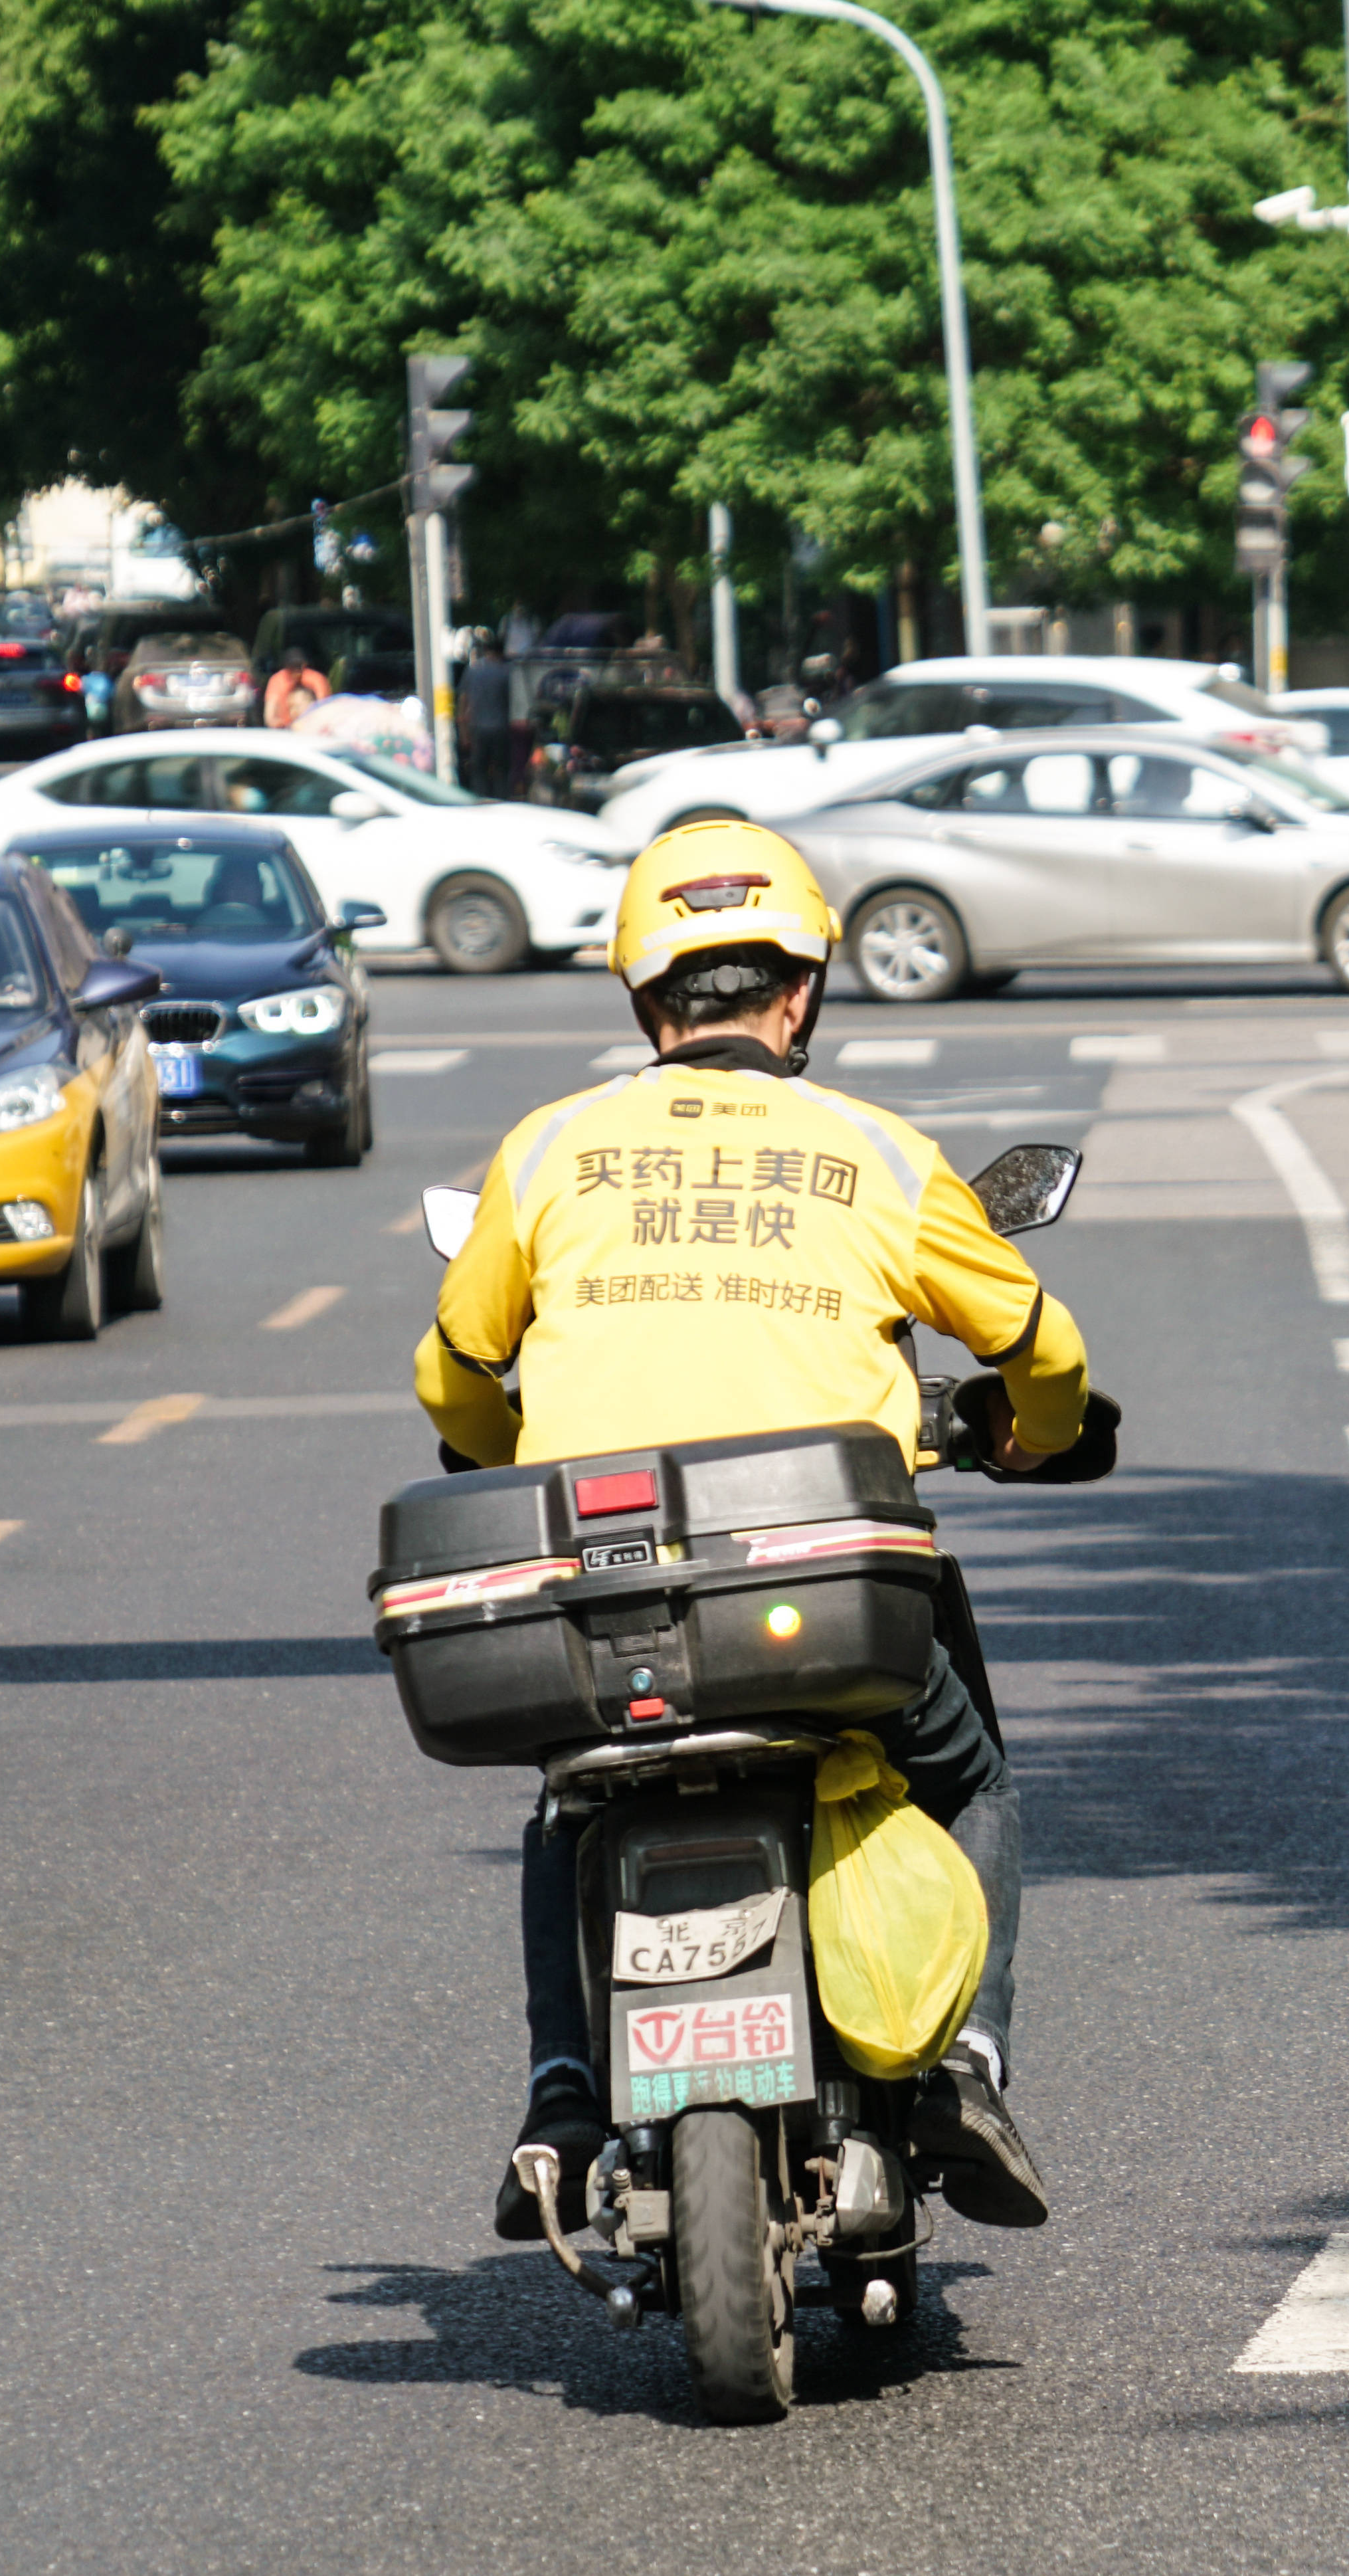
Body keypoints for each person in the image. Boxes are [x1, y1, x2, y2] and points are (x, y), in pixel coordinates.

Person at [413, 818, 1088, 2240]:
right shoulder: (875, 1154)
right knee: (971, 1782)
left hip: (598, 1599)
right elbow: (1039, 1339)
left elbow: (454, 1374)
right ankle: (965, 2063)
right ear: (799, 997)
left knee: (569, 1800)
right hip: (828, 1591)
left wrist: (502, 1454)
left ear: (645, 1003)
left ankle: (558, 2096)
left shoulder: (549, 1153)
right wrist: (1030, 1429)